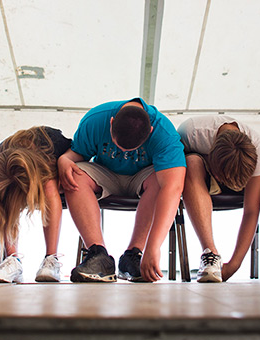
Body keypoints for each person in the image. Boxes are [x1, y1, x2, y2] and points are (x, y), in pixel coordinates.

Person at [58, 98, 186, 283]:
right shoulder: (95, 119)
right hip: (106, 173)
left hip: (143, 177)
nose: (123, 151)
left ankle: (133, 255)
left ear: (150, 131)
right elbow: (78, 154)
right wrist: (64, 159)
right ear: (111, 122)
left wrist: (153, 247)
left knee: (164, 183)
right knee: (74, 175)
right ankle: (98, 254)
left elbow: (173, 187)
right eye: (117, 145)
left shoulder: (164, 133)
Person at [178, 115, 260, 283]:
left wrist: (234, 265)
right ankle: (210, 255)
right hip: (202, 175)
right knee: (191, 162)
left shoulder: (257, 148)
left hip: (243, 177)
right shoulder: (190, 133)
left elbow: (251, 211)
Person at [0, 126, 71, 283]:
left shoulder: (53, 142)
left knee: (49, 185)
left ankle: (51, 259)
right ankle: (13, 260)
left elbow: (74, 155)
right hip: (18, 177)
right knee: (5, 194)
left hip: (49, 176)